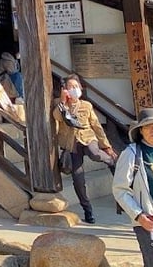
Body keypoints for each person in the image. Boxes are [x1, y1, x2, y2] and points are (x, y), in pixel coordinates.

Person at [52, 73, 117, 224]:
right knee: (78, 179)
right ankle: (88, 210)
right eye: (70, 87)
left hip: (88, 139)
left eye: (76, 86)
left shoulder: (86, 106)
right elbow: (57, 117)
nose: (74, 89)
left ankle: (111, 161)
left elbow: (96, 126)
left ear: (81, 88)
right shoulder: (60, 105)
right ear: (64, 90)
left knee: (95, 154)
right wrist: (63, 101)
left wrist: (106, 146)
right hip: (71, 145)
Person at [113, 108, 153, 266]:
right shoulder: (131, 153)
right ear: (141, 131)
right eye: (148, 126)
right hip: (148, 221)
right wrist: (139, 216)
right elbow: (120, 190)